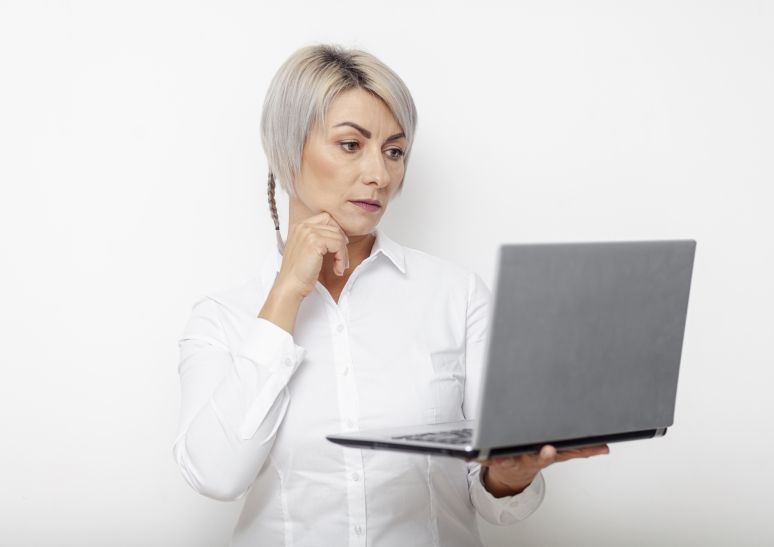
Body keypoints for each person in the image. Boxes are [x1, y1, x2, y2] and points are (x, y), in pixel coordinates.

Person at [173, 43, 609, 546]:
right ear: (287, 151)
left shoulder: (456, 297)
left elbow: (492, 495)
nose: (380, 175)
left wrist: (508, 477)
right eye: (350, 145)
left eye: (394, 151)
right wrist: (287, 293)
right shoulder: (222, 318)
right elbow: (215, 476)